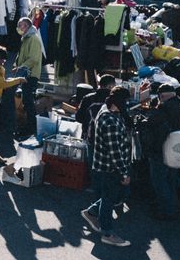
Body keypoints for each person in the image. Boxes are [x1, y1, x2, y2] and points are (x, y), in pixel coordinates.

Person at [81, 87, 133, 247]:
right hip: (110, 167)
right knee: (109, 199)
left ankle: (91, 213)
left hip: (105, 165)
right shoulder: (109, 120)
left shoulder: (107, 110)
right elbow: (114, 152)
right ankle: (107, 233)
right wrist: (124, 173)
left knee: (109, 196)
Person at [147, 83, 180, 220]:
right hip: (178, 149)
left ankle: (166, 211)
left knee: (160, 182)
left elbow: (152, 124)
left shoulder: (163, 108)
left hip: (161, 150)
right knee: (171, 180)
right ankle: (172, 206)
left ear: (161, 96)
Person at [13, 17, 43, 137]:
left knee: (28, 101)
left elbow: (33, 59)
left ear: (28, 26)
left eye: (23, 25)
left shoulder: (33, 39)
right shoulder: (25, 38)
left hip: (31, 74)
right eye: (19, 25)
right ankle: (29, 126)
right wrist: (17, 64)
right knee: (26, 100)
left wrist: (21, 67)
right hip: (25, 73)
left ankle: (31, 127)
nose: (21, 28)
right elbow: (21, 55)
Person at [77, 75, 116, 149]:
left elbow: (78, 118)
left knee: (88, 159)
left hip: (89, 138)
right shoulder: (114, 100)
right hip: (107, 139)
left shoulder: (87, 98)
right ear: (110, 86)